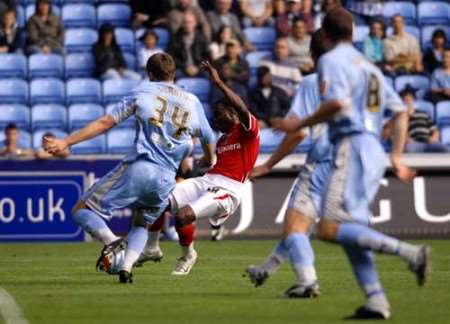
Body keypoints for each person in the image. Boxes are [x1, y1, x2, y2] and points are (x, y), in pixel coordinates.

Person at [274, 8, 429, 319]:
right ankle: (376, 301)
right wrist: (396, 156)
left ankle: (410, 252)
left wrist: (298, 123)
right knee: (352, 233)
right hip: (374, 150)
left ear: (327, 36)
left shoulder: (331, 60)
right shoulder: (370, 68)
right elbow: (401, 112)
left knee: (329, 229)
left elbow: (337, 103)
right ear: (353, 33)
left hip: (350, 146)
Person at [44, 53, 216, 284]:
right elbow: (208, 136)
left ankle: (114, 242)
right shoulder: (192, 101)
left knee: (80, 210)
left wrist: (66, 142)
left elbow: (106, 122)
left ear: (150, 74)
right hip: (166, 180)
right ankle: (126, 269)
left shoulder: (143, 92)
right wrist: (208, 158)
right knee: (141, 223)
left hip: (141, 167)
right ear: (173, 74)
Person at [137, 61, 260, 276]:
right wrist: (207, 158)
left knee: (183, 215)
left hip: (227, 190)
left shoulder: (247, 130)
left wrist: (219, 82)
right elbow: (221, 158)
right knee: (153, 198)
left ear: (232, 113)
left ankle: (188, 255)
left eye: (219, 114)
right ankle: (151, 248)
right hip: (207, 180)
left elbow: (241, 106)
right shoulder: (223, 140)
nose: (215, 119)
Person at [245, 30, 333, 299]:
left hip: (321, 162)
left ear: (312, 55)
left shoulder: (311, 83)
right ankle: (266, 270)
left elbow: (297, 133)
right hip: (351, 165)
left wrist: (269, 164)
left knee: (294, 226)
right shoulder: (359, 79)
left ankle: (307, 281)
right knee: (300, 226)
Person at [394, 87, 448, 153]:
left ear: (413, 101)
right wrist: (406, 139)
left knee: (444, 149)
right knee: (409, 149)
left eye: (409, 100)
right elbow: (400, 132)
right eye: (404, 100)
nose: (407, 102)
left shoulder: (423, 114)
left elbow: (435, 130)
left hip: (429, 142)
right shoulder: (400, 117)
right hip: (414, 143)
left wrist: (434, 138)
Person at [167, 10, 209, 78]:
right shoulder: (175, 38)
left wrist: (197, 68)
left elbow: (206, 56)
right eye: (185, 22)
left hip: (199, 68)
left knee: (209, 75)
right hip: (181, 69)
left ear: (195, 23)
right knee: (174, 75)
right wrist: (185, 68)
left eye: (189, 22)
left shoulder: (202, 38)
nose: (187, 25)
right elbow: (172, 57)